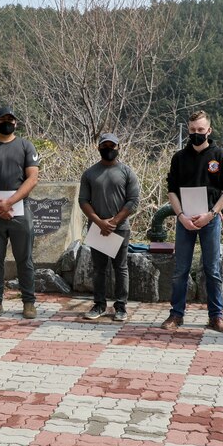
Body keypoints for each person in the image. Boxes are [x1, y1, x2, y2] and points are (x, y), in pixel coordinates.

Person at [159, 111, 223, 332]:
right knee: (180, 269)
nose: (196, 134)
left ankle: (216, 315)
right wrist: (181, 216)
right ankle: (176, 314)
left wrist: (211, 213)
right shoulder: (179, 158)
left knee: (212, 269)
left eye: (200, 130)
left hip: (210, 220)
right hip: (185, 220)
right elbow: (171, 190)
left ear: (209, 130)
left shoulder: (221, 156)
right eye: (192, 130)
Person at [0, 106, 39, 319]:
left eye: (11, 119)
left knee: (25, 259)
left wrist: (10, 202)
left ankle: (29, 303)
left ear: (16, 123)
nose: (7, 122)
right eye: (3, 119)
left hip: (20, 211)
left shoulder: (25, 146)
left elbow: (32, 178)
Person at [79, 133, 141, 322]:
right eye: (105, 146)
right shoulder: (90, 173)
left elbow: (133, 201)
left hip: (120, 228)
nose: (108, 149)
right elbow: (83, 200)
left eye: (112, 146)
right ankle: (99, 305)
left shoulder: (127, 172)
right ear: (98, 148)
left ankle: (121, 306)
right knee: (99, 269)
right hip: (97, 228)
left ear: (118, 148)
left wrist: (114, 221)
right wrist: (99, 222)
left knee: (120, 268)